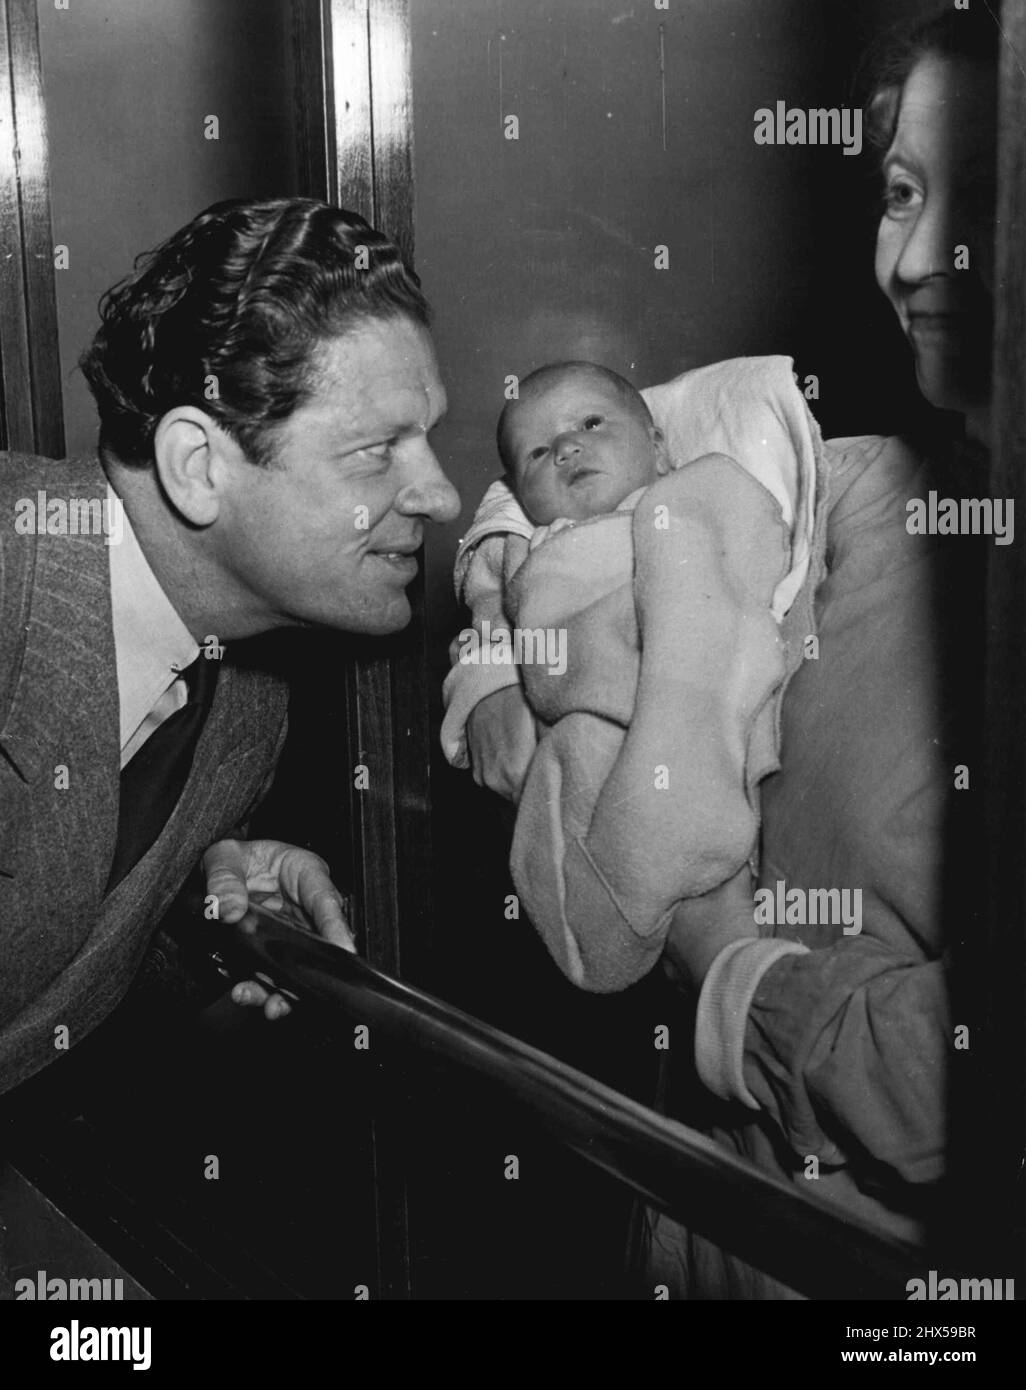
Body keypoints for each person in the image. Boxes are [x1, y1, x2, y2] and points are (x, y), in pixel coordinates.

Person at [460, 5, 1002, 1297]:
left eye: (977, 191)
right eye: (895, 192)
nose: (916, 255)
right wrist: (492, 654)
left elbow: (946, 1083)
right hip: (709, 1226)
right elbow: (554, 452)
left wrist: (726, 960)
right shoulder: (840, 482)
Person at [0, 196, 460, 1097]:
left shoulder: (247, 711)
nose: (440, 496)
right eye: (376, 451)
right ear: (198, 467)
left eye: (428, 439)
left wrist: (207, 927)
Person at [444, 359, 820, 990]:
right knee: (573, 768)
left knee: (688, 657)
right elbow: (484, 632)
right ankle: (612, 903)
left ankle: (671, 839)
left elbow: (735, 589)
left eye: (592, 423)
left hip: (677, 680)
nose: (567, 447)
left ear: (660, 446)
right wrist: (487, 674)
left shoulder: (691, 495)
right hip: (580, 715)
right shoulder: (522, 547)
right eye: (538, 453)